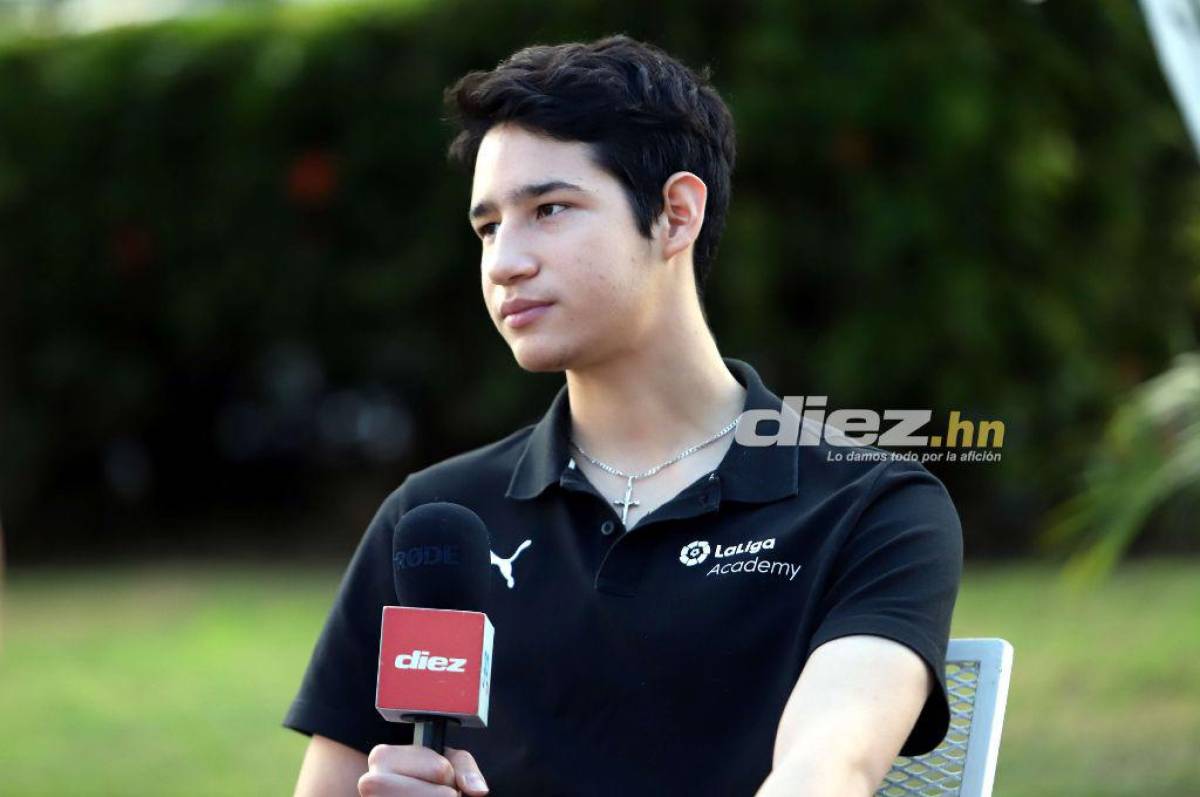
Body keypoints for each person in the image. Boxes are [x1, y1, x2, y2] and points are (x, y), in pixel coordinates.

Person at [285, 35, 962, 797]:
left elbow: (825, 770)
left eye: (549, 209)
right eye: (487, 228)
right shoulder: (434, 520)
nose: (505, 261)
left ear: (675, 214)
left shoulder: (869, 507)